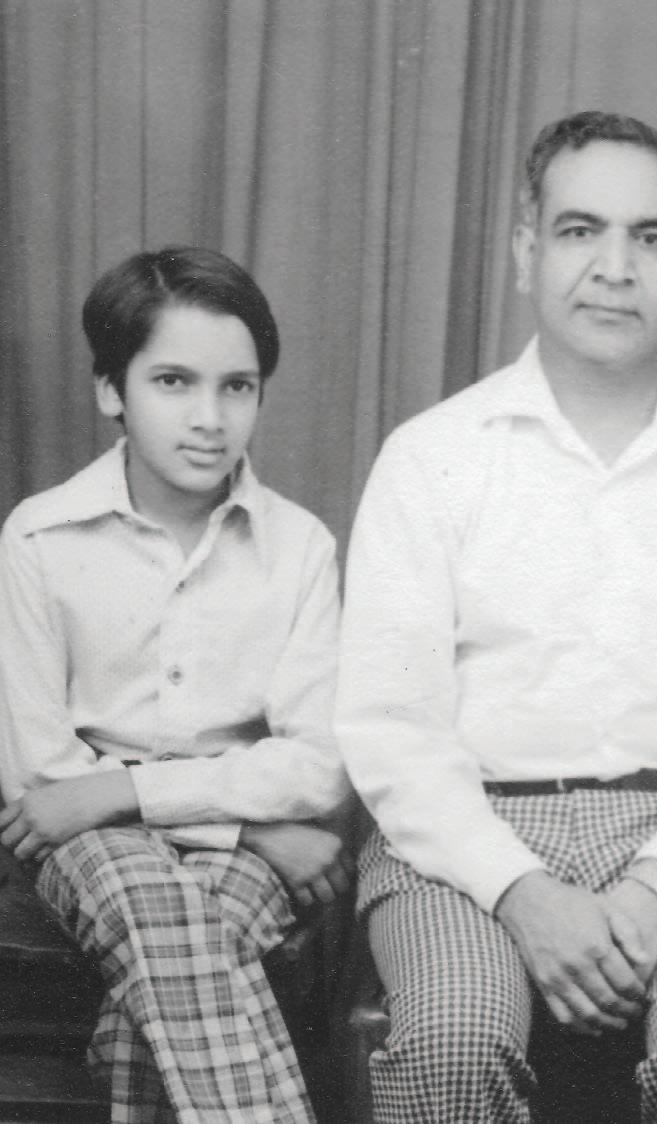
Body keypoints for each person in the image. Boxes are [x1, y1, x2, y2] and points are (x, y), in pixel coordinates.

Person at [335, 109, 657, 1123]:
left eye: (649, 237)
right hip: (464, 835)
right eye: (580, 230)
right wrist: (520, 890)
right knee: (455, 1033)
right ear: (526, 249)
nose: (615, 267)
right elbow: (393, 727)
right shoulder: (431, 456)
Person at [0, 246, 352, 1123]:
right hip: (99, 847)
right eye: (173, 383)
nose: (210, 419)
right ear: (110, 390)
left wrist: (123, 790)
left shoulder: (301, 547)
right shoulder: (40, 538)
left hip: (208, 845)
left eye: (238, 387)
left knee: (161, 988)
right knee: (154, 901)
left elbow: (318, 767)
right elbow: (43, 782)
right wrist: (251, 827)